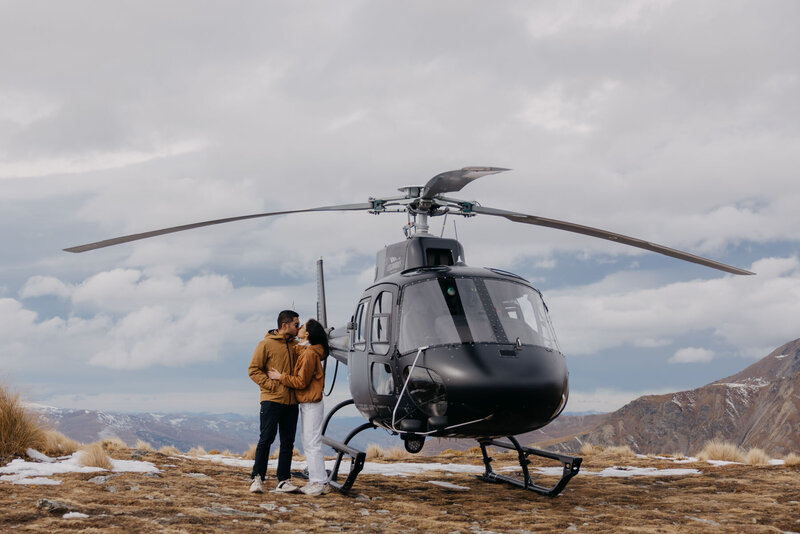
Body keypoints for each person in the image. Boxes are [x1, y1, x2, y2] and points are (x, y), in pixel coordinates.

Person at [268, 318, 330, 496]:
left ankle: (319, 482)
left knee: (312, 443)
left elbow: (301, 381)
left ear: (307, 334)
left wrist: (281, 377)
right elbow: (298, 350)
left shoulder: (310, 354)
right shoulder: (306, 351)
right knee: (309, 442)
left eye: (301, 327)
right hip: (307, 402)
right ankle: (317, 481)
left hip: (311, 402)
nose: (299, 328)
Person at [247, 309, 301, 494]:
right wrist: (271, 386)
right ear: (284, 325)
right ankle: (257, 478)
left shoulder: (297, 345)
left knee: (288, 443)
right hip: (272, 400)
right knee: (266, 439)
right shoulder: (266, 344)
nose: (298, 327)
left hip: (292, 402)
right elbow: (253, 370)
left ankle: (284, 480)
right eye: (296, 324)